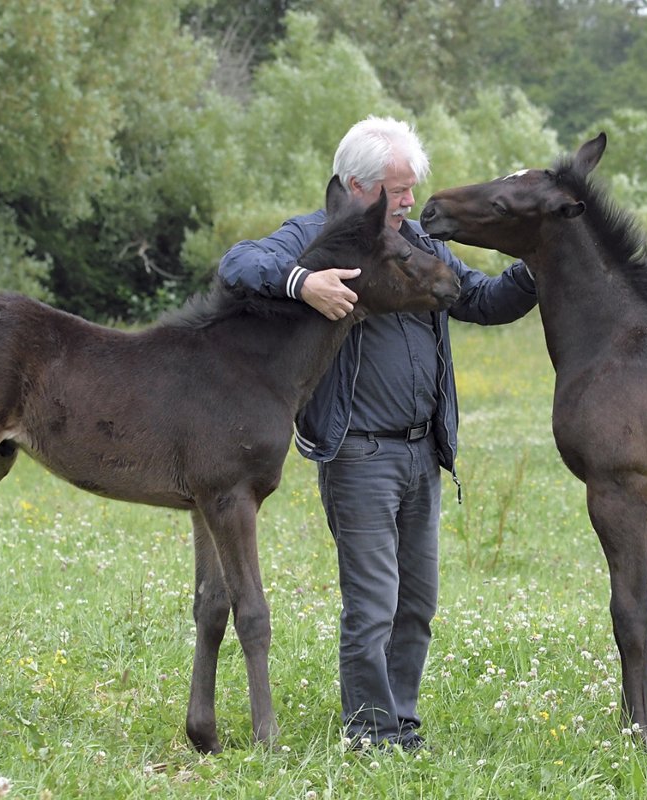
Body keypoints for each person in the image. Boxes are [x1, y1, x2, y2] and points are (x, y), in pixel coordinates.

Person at [219, 116, 537, 750]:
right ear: (356, 187)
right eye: (398, 189)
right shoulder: (316, 235)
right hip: (359, 450)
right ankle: (370, 733)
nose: (411, 200)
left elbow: (482, 298)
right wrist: (303, 283)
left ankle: (401, 723)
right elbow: (239, 263)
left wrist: (538, 261)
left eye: (412, 187)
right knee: (372, 606)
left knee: (416, 603)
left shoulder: (416, 242)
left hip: (423, 449)